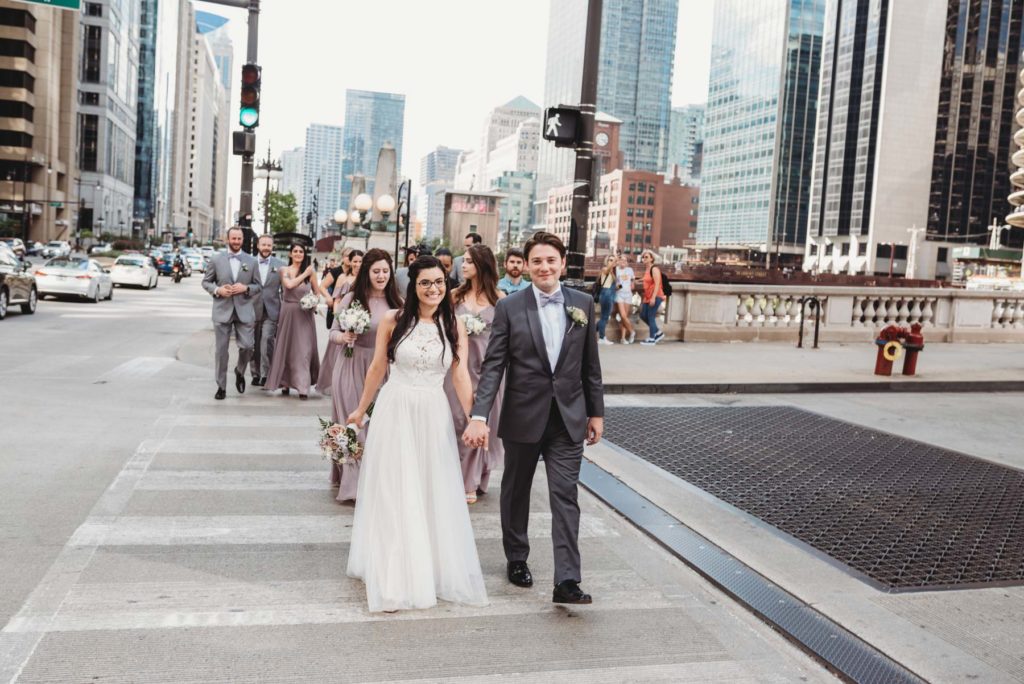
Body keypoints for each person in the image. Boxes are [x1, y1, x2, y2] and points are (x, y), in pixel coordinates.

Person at [463, 232, 604, 605]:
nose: (544, 267)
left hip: (568, 418)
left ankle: (567, 580)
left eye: (551, 260)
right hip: (524, 414)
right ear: (526, 266)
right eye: (537, 261)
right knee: (516, 491)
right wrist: (479, 414)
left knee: (565, 495)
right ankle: (517, 557)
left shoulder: (583, 304)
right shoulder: (510, 307)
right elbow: (493, 366)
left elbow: (591, 365)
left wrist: (596, 412)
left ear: (562, 263)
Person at [345, 255, 487, 613]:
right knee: (396, 488)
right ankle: (395, 571)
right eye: (425, 282)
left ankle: (430, 564)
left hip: (432, 413)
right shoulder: (393, 321)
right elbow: (378, 367)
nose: (433, 288)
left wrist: (475, 418)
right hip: (396, 410)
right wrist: (360, 411)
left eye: (439, 281)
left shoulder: (455, 325)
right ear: (413, 286)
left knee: (429, 486)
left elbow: (460, 376)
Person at [329, 248, 402, 501]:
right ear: (366, 273)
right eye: (376, 271)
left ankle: (373, 479)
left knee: (376, 425)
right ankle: (352, 485)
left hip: (382, 370)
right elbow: (332, 332)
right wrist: (344, 336)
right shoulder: (352, 298)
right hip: (350, 366)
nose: (381, 275)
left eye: (385, 271)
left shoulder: (397, 303)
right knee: (353, 423)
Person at [445, 244, 505, 504]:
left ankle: (474, 478)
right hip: (459, 368)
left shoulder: (500, 300)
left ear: (482, 265)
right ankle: (458, 477)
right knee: (459, 421)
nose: (463, 265)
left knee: (481, 422)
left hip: (489, 368)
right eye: (463, 261)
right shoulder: (454, 297)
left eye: (469, 261)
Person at [202, 226, 261, 400]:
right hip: (222, 310)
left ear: (243, 240)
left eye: (239, 239)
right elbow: (206, 282)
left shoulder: (251, 261)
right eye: (233, 238)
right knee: (221, 351)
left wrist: (246, 288)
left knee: (248, 347)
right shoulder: (216, 259)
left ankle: (240, 371)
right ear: (227, 239)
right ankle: (221, 386)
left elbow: (258, 286)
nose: (236, 242)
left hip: (244, 311)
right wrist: (218, 290)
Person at [264, 242, 323, 399]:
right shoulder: (284, 270)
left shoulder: (312, 273)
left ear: (304, 254)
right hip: (288, 312)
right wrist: (304, 274)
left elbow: (317, 293)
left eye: (301, 251)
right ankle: (285, 383)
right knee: (287, 348)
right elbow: (289, 285)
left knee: (304, 350)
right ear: (290, 254)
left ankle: (303, 386)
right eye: (295, 251)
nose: (298, 254)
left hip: (304, 315)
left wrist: (312, 301)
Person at [316, 250, 363, 394]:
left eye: (360, 261)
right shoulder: (343, 278)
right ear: (349, 262)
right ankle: (337, 382)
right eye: (355, 261)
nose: (357, 264)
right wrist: (340, 319)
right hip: (344, 320)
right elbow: (337, 300)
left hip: (360, 320)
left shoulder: (366, 278)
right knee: (338, 354)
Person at [250, 235, 285, 386]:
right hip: (251, 309)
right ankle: (255, 373)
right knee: (253, 343)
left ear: (272, 247)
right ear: (258, 245)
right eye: (263, 244)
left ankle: (266, 374)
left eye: (269, 245)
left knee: (266, 341)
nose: (266, 248)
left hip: (272, 310)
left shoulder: (281, 265)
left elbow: (285, 289)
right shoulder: (249, 263)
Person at [639, 249, 665, 345]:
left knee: (650, 316)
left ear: (652, 259)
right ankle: (658, 332)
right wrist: (638, 281)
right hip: (647, 296)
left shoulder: (654, 269)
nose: (644, 258)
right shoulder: (647, 269)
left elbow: (657, 283)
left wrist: (653, 297)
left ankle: (652, 338)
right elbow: (647, 279)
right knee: (642, 315)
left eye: (646, 257)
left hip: (655, 295)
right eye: (643, 257)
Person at [614, 254, 636, 344]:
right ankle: (632, 332)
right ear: (618, 261)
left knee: (625, 317)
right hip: (619, 294)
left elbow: (632, 279)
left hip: (628, 295)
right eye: (622, 260)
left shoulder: (630, 270)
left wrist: (632, 284)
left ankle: (623, 338)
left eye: (625, 260)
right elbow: (614, 285)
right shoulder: (616, 270)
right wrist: (620, 286)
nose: (623, 262)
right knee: (623, 316)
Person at [595, 254, 618, 345]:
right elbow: (608, 269)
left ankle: (592, 331)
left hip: (610, 295)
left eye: (613, 260)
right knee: (604, 317)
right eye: (610, 260)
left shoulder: (612, 272)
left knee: (605, 317)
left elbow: (613, 286)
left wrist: (620, 286)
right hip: (606, 295)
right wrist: (614, 261)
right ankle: (601, 338)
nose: (612, 262)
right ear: (606, 261)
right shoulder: (605, 269)